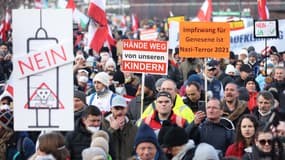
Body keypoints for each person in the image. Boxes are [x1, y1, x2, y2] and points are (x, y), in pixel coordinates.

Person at [101, 94, 138, 160]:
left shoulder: (133, 127)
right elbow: (100, 144)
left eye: (122, 108)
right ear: (111, 109)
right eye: (116, 109)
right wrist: (112, 129)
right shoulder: (103, 124)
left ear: (126, 109)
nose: (119, 112)